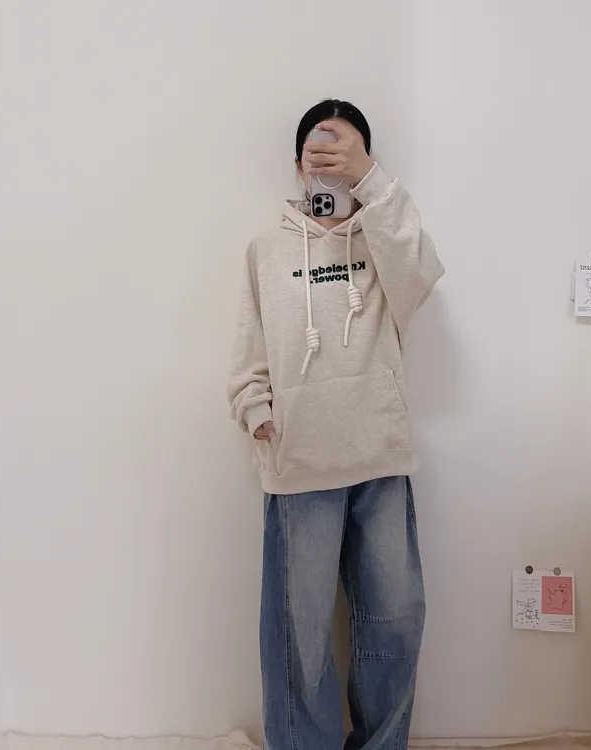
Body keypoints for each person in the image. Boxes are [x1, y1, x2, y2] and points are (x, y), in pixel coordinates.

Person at [228, 99, 444, 750]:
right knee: (299, 633)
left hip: (380, 455)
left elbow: (423, 274)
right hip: (299, 462)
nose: (329, 162)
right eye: (317, 151)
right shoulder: (267, 248)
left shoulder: (383, 241)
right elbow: (249, 355)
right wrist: (256, 410)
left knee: (396, 618)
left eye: (343, 150)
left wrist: (369, 181)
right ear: (298, 165)